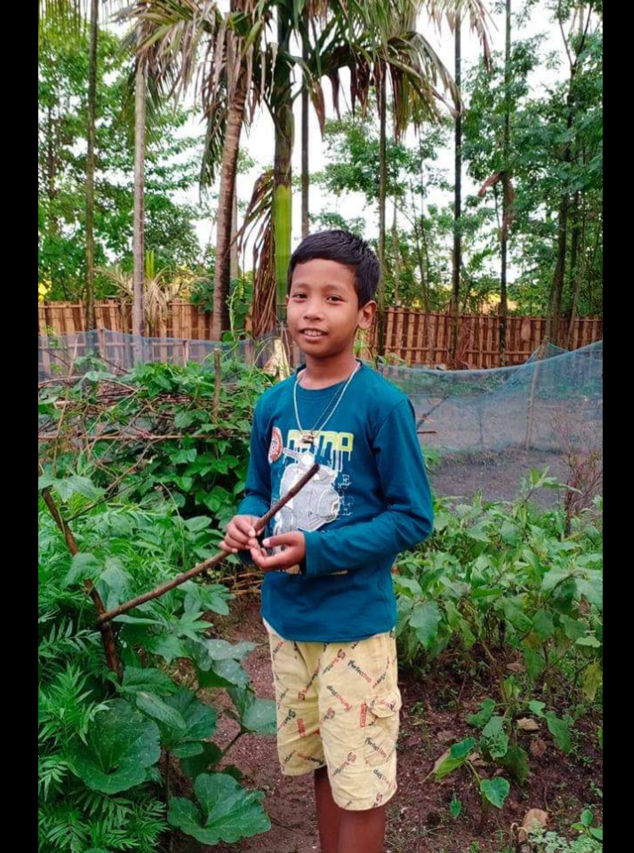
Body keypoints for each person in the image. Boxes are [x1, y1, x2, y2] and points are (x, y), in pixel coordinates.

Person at [221, 230, 434, 853]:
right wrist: (247, 521)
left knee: (360, 782)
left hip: (354, 628)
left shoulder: (381, 406)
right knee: (322, 761)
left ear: (364, 314)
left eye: (333, 298)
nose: (312, 311)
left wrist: (317, 551)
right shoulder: (273, 404)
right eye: (300, 296)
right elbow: (258, 489)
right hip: (288, 622)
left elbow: (412, 518)